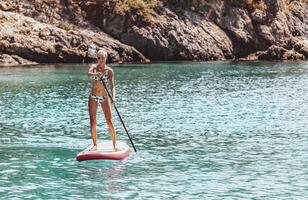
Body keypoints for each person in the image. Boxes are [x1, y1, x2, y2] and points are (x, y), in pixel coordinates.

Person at [88, 49, 116, 151]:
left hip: (104, 97)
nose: (101, 60)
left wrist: (113, 97)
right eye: (99, 58)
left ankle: (114, 145)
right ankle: (95, 144)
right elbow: (89, 74)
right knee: (93, 121)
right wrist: (96, 75)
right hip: (93, 97)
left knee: (109, 121)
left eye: (103, 58)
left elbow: (112, 85)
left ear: (106, 58)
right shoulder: (94, 67)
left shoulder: (109, 71)